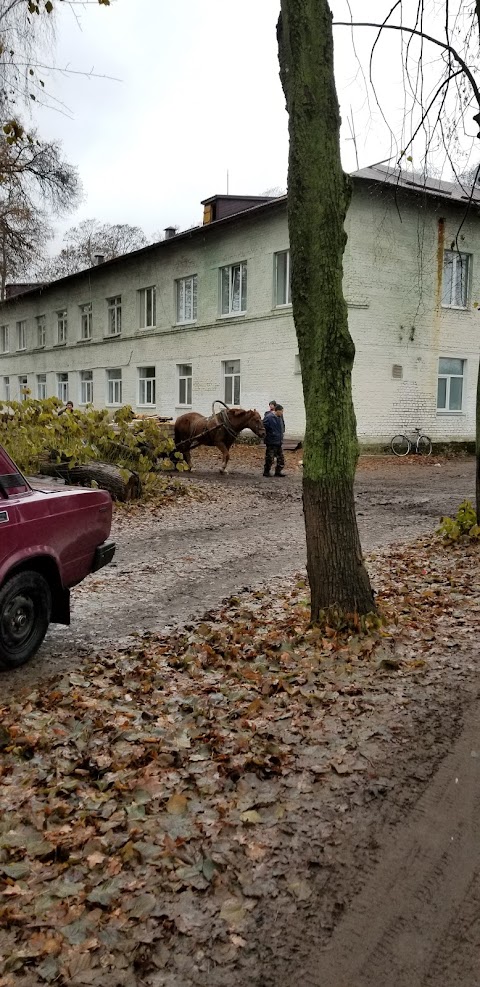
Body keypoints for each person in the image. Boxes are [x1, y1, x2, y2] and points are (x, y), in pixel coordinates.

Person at [262, 403, 286, 477]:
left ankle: (278, 472)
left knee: (281, 459)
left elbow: (282, 427)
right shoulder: (269, 417)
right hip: (271, 442)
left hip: (278, 442)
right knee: (269, 458)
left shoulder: (280, 417)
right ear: (277, 411)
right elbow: (263, 427)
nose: (282, 413)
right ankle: (266, 472)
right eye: (281, 411)